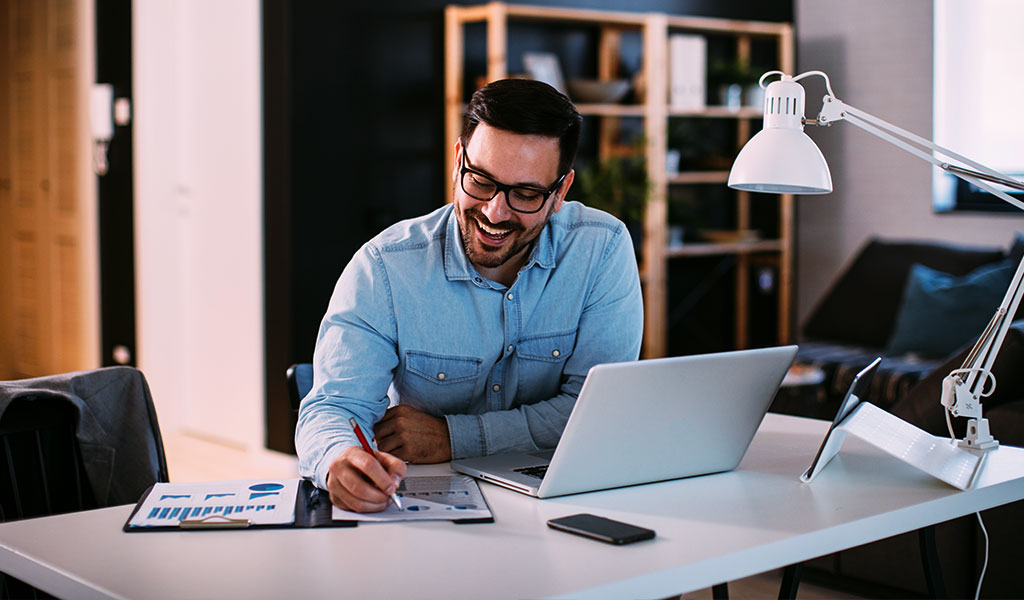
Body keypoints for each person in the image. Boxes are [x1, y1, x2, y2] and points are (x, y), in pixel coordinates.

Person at [296, 78, 643, 512]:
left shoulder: (601, 249)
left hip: (564, 499)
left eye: (527, 193)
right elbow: (332, 408)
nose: (496, 211)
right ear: (459, 160)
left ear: (560, 192)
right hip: (428, 512)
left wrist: (451, 437)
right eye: (480, 180)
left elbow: (592, 411)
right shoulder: (384, 268)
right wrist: (338, 459)